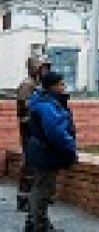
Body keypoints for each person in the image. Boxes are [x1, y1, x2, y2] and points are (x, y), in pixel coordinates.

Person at [24, 71, 77, 232]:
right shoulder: (47, 105)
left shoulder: (42, 101)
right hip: (46, 153)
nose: (64, 87)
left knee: (39, 187)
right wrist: (71, 147)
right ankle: (39, 225)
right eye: (61, 84)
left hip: (40, 151)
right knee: (43, 190)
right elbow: (55, 132)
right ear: (53, 86)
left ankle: (34, 222)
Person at [16, 55, 50, 212]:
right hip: (29, 131)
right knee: (29, 164)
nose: (45, 71)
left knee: (36, 164)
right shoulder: (27, 85)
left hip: (37, 131)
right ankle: (24, 198)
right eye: (42, 68)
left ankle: (34, 197)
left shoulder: (38, 85)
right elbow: (24, 112)